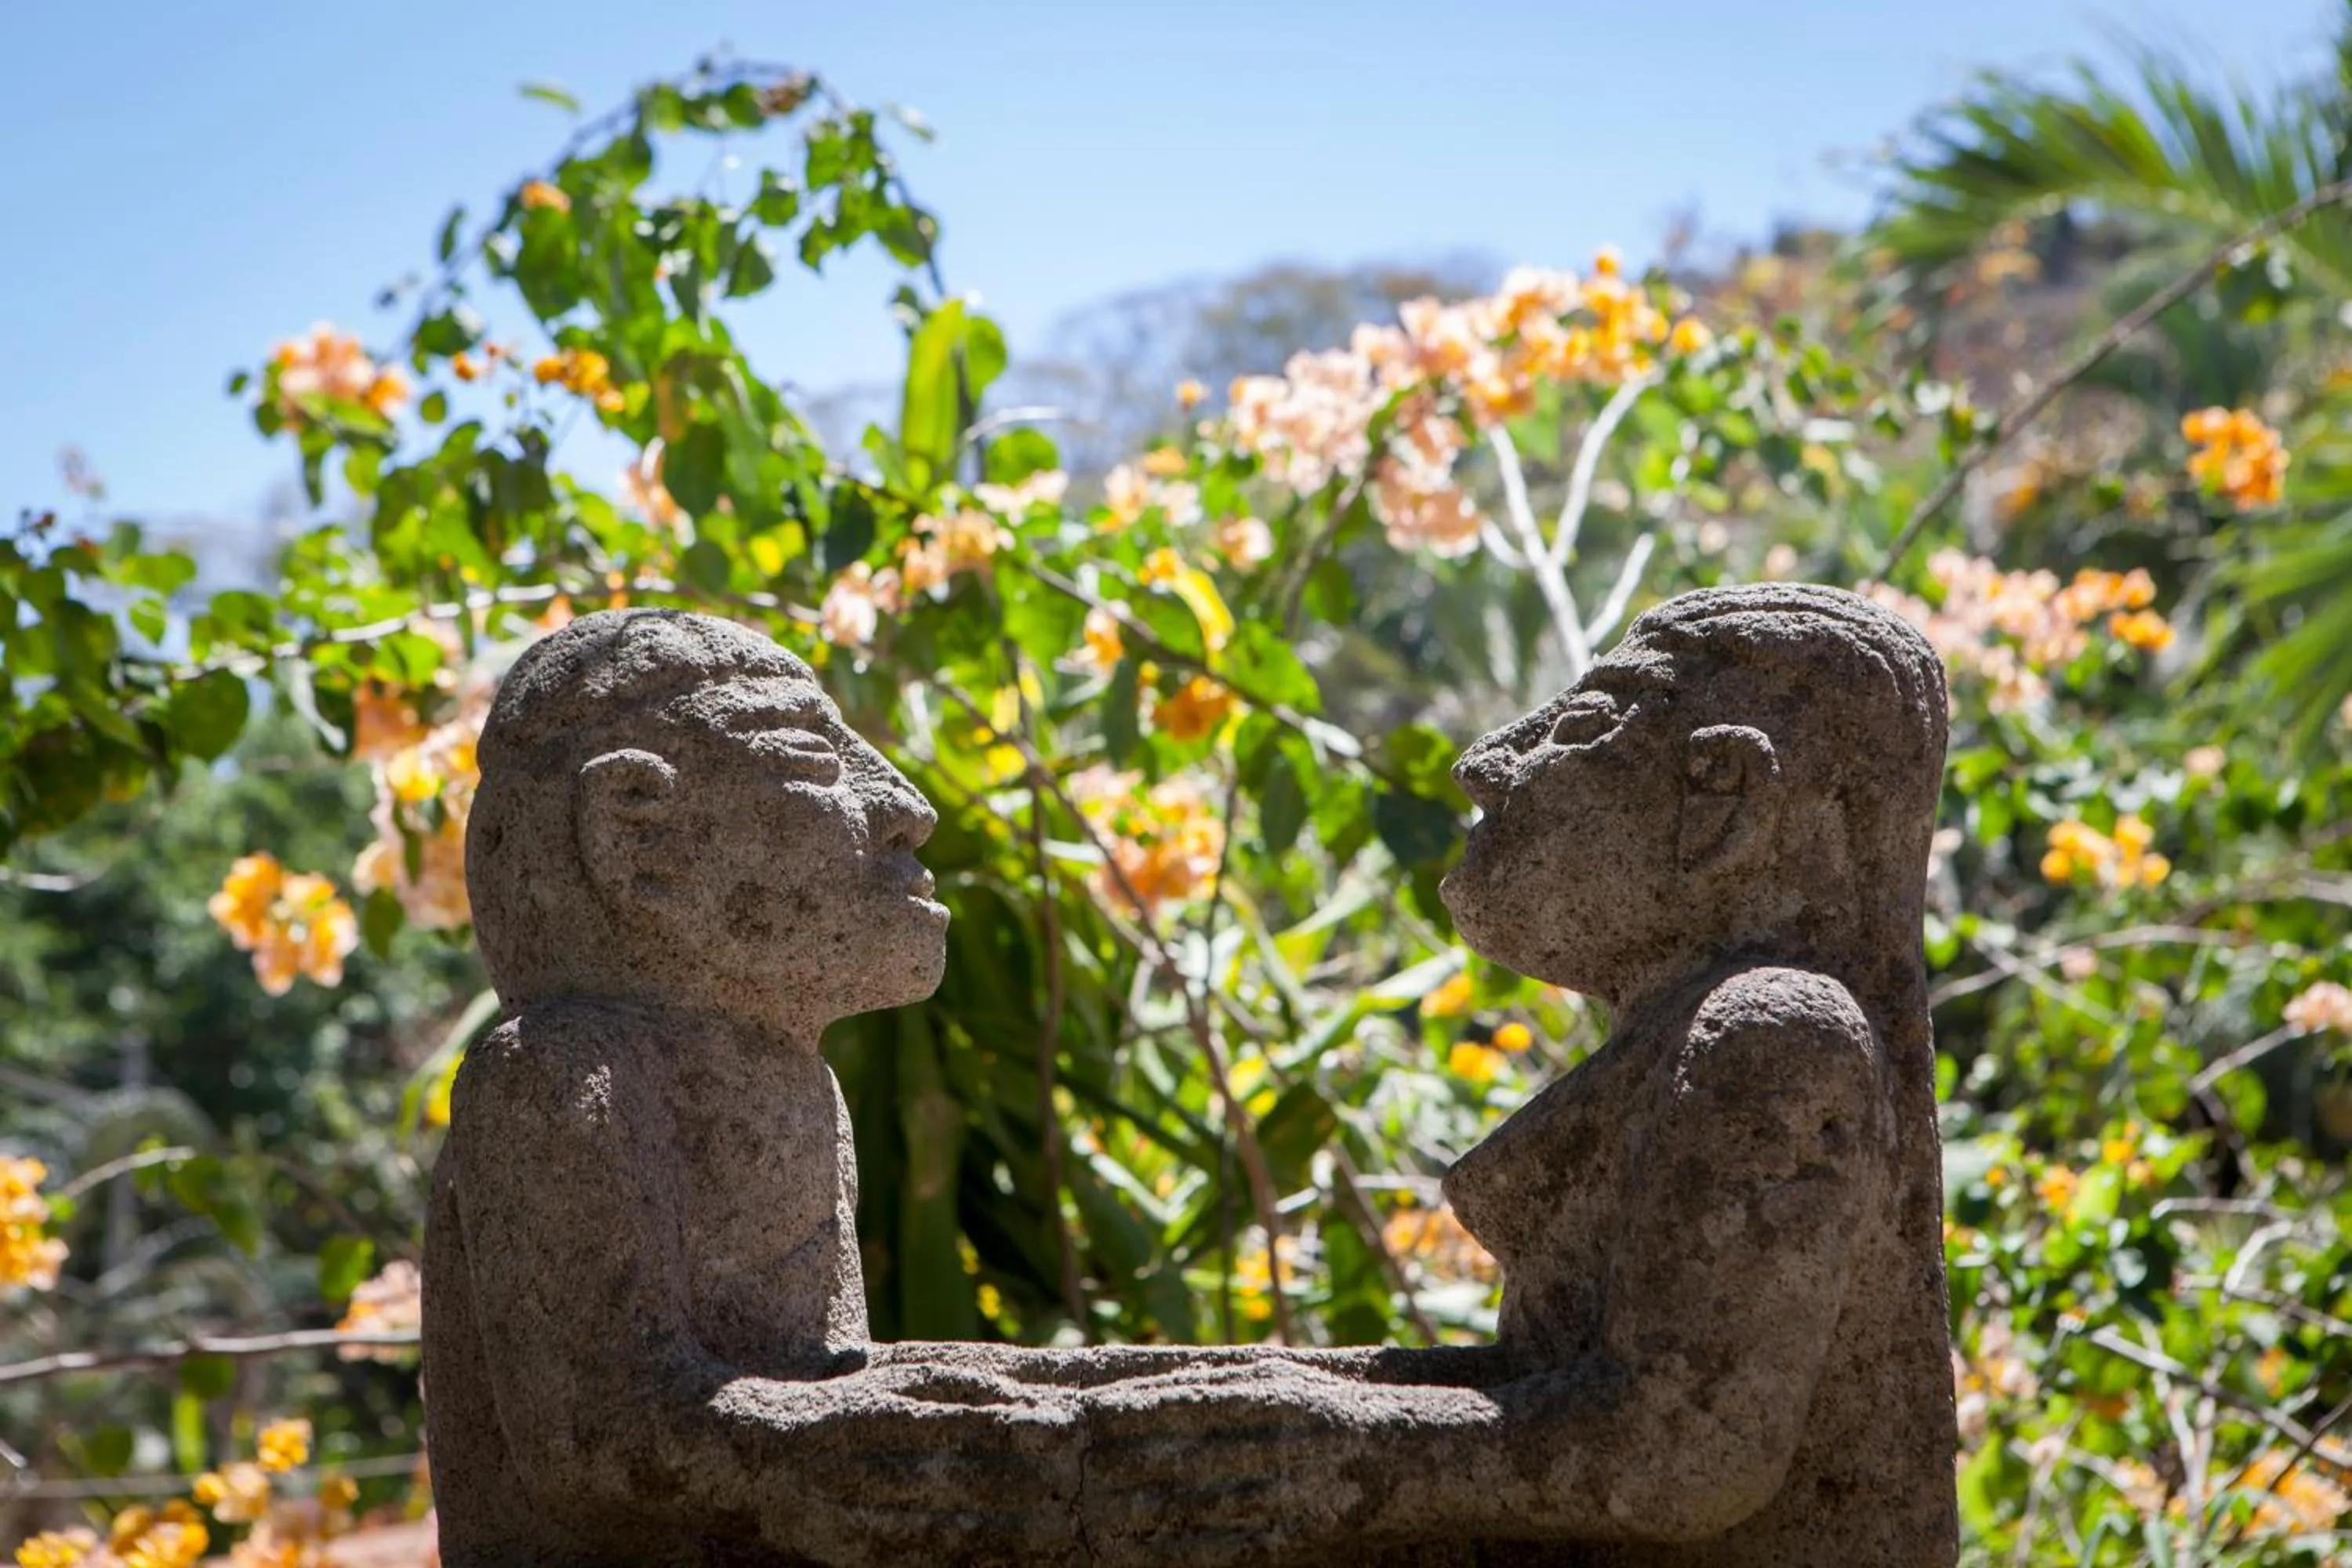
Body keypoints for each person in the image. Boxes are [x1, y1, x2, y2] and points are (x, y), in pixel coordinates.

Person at [1079, 585, 1959, 1566]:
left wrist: (1326, 1444)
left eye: (1582, 724)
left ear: (1723, 797)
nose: (1486, 762)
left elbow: (1682, 1449)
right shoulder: (1708, 1033)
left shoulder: (1776, 1034)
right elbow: (1540, 1390)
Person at [424, 610, 1083, 1568]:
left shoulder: (804, 1090)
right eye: (815, 759)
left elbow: (819, 1375)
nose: (907, 807)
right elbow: (603, 1444)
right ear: (634, 833)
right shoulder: (555, 1077)